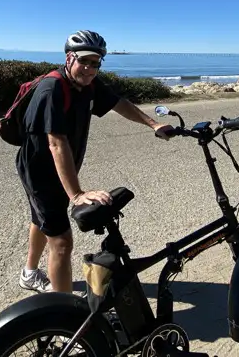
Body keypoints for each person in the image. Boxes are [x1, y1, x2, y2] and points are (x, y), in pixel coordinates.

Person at [16, 29, 173, 293]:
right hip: (41, 174)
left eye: (95, 63)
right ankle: (64, 318)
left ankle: (29, 274)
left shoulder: (89, 84)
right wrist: (76, 193)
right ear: (69, 58)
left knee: (41, 220)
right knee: (62, 242)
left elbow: (118, 103)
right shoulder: (51, 89)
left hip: (58, 169)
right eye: (84, 61)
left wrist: (153, 123)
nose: (89, 68)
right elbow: (56, 143)